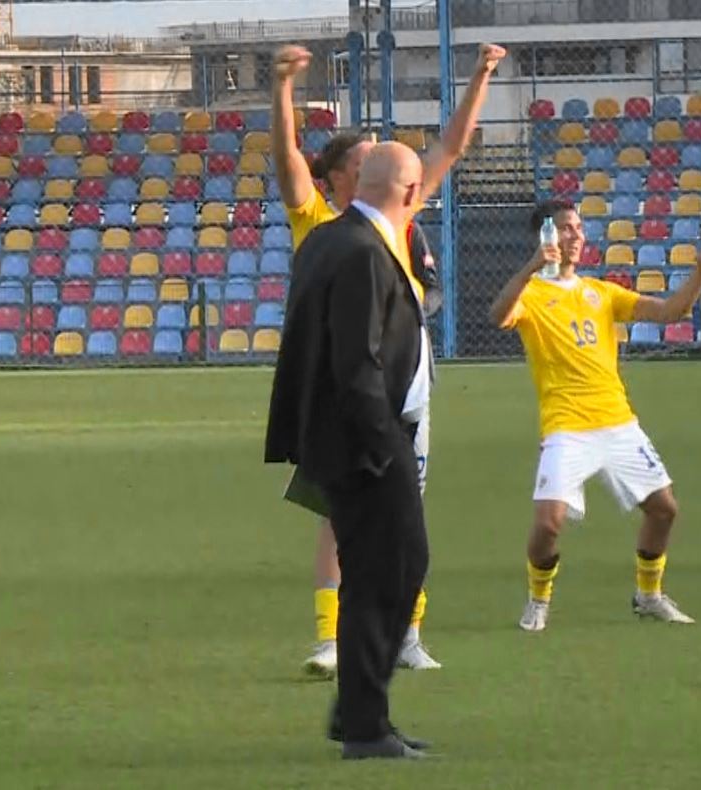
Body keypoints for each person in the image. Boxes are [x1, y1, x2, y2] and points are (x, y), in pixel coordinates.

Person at [272, 41, 504, 677]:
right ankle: (332, 637)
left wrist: (481, 75)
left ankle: (407, 634)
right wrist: (283, 89)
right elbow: (288, 160)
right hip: (343, 387)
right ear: (345, 176)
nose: (384, 159)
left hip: (406, 388)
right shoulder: (318, 217)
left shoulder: (401, 216)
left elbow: (451, 147)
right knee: (336, 514)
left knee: (408, 510)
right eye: (367, 154)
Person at [264, 143, 435, 760]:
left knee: (376, 574)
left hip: (336, 437)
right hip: (367, 440)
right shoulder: (366, 250)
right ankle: (364, 724)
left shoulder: (330, 240)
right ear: (410, 191)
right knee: (397, 567)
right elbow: (356, 362)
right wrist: (384, 442)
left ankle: (361, 714)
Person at [487, 201, 701, 632]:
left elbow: (670, 312)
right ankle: (538, 599)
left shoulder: (601, 292)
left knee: (664, 509)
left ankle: (648, 594)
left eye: (578, 227)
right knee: (547, 524)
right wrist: (532, 267)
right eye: (564, 229)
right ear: (545, 238)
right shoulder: (531, 294)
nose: (575, 235)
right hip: (566, 427)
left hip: (617, 422)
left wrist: (700, 273)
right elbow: (498, 316)